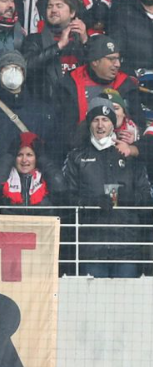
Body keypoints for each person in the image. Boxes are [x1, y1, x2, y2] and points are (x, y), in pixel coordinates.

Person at [63, 98, 152, 278]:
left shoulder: (128, 155)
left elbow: (147, 199)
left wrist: (129, 197)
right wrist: (91, 203)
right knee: (91, 297)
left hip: (127, 248)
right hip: (91, 248)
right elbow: (65, 198)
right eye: (96, 120)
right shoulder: (76, 157)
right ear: (89, 124)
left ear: (113, 124)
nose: (100, 125)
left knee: (126, 295)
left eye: (105, 119)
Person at [55, 35, 143, 154]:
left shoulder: (127, 85)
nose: (117, 64)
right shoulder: (69, 84)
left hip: (119, 152)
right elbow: (61, 131)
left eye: (118, 59)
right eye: (111, 59)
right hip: (78, 152)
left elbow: (140, 122)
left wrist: (135, 134)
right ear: (95, 62)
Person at [0, 50, 55, 162]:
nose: (12, 72)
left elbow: (50, 151)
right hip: (1, 171)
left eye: (17, 68)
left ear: (24, 73)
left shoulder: (42, 110)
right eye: (6, 68)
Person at [21, 0, 88, 103]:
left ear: (72, 13)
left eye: (59, 6)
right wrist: (58, 46)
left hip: (78, 104)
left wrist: (85, 41)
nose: (53, 10)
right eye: (50, 6)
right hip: (46, 105)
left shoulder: (82, 40)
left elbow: (96, 71)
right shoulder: (34, 40)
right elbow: (25, 66)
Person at [0, 132, 62, 209]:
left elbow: (60, 188)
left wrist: (42, 158)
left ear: (37, 158)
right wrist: (9, 156)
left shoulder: (45, 177)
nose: (24, 160)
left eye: (29, 155)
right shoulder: (6, 176)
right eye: (19, 155)